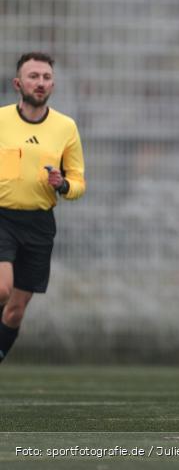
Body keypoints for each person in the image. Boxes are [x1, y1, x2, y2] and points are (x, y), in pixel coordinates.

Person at [0, 52, 86, 364]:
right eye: (33, 76)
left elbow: (78, 183)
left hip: (39, 224)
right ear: (17, 83)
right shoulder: (1, 120)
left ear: (53, 84)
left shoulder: (66, 127)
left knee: (15, 310)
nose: (40, 82)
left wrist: (62, 184)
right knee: (2, 288)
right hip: (2, 218)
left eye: (46, 77)